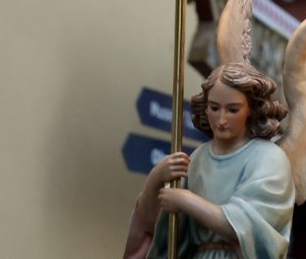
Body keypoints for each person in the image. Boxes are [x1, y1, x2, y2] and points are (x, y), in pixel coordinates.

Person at [126, 62, 295, 259]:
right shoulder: (198, 158)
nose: (221, 119)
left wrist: (187, 201)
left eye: (232, 110)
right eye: (214, 108)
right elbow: (160, 228)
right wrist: (155, 179)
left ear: (250, 108)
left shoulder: (268, 157)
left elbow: (248, 225)